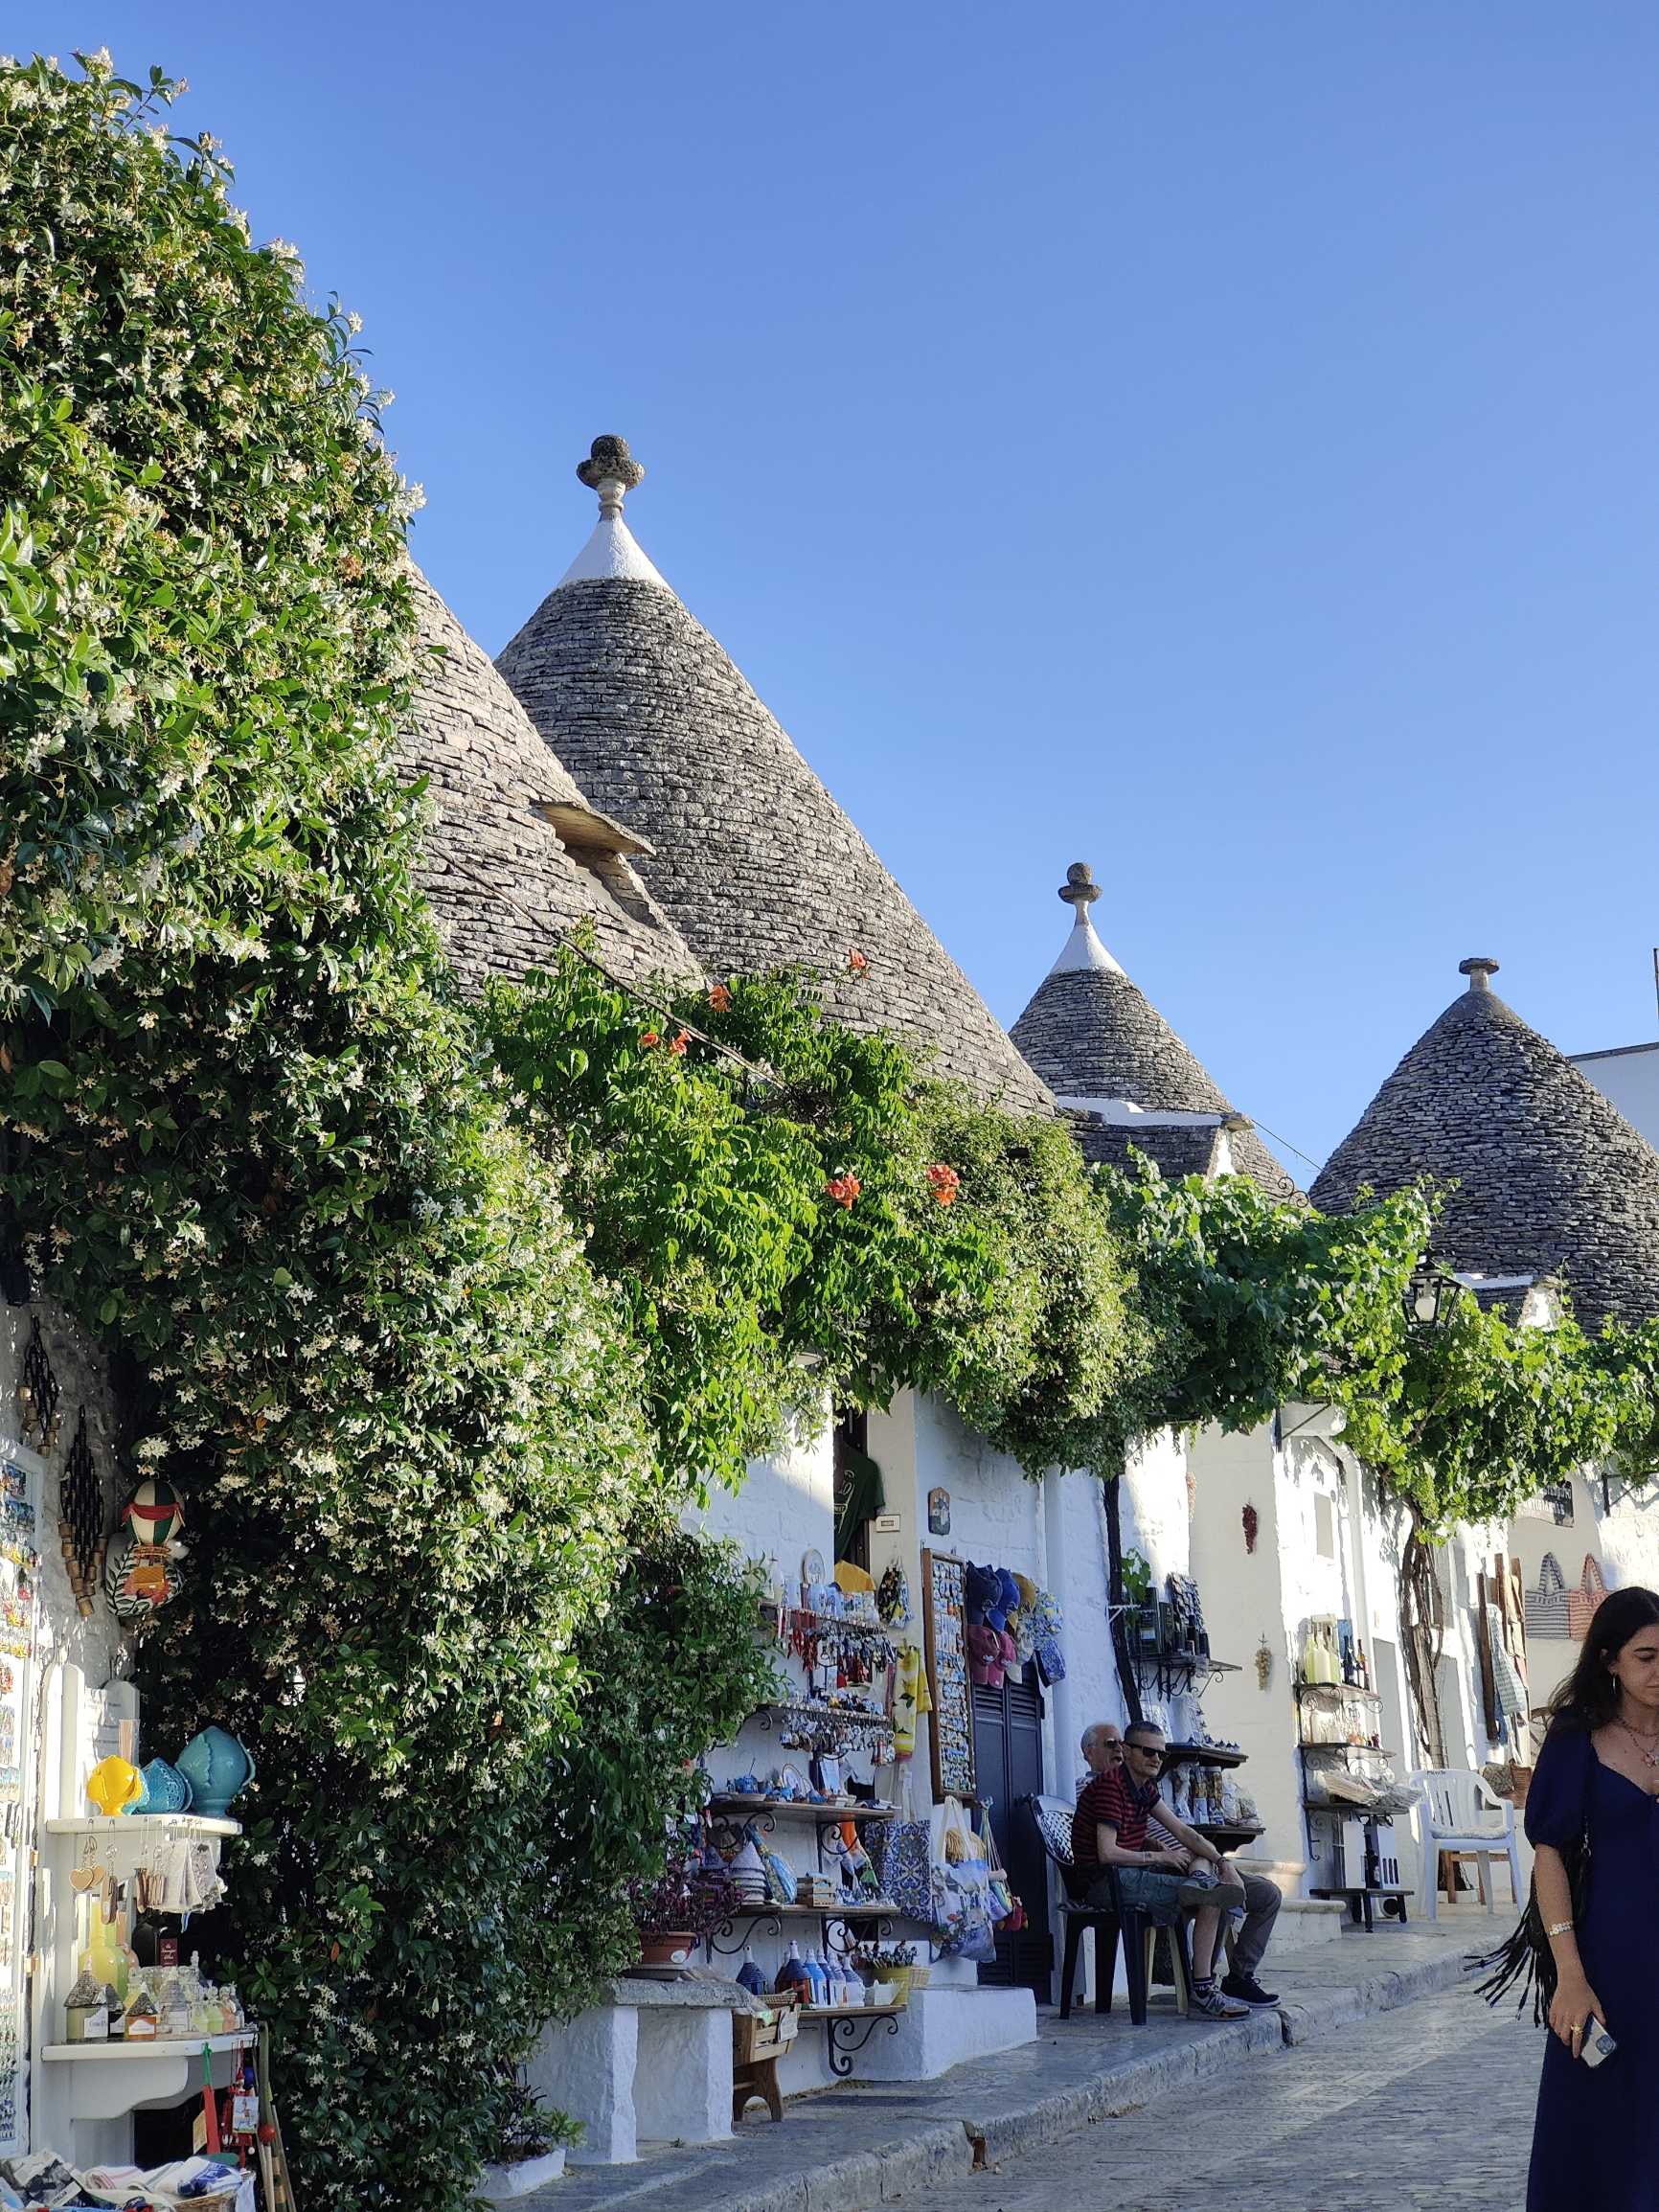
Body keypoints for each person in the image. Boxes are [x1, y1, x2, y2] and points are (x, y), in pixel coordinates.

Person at [1522, 1585, 1659, 2211]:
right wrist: (1569, 1976)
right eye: (1647, 1656)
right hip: (1607, 1962)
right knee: (1597, 2128)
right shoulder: (1577, 1737)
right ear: (1608, 1659)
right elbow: (1549, 1852)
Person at [1079, 1721, 1283, 2007]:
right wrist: (1161, 1855)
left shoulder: (1143, 1788)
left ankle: (1222, 1980)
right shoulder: (1109, 1788)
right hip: (1108, 1881)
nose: (1156, 1759)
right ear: (1128, 1750)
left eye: (1161, 1754)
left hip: (1145, 1870)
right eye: (1149, 1752)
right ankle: (1201, 1991)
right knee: (1212, 1896)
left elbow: (1184, 1833)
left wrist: (1222, 1861)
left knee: (1230, 1886)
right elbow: (1107, 1853)